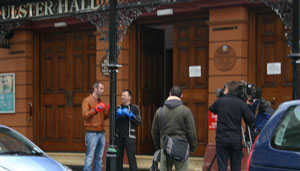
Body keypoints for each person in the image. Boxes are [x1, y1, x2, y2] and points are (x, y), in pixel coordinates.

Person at [209, 80, 255, 171]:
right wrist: (248, 106)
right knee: (236, 166)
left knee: (222, 166)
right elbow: (251, 119)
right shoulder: (241, 103)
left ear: (227, 90)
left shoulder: (220, 102)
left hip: (221, 139)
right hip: (235, 140)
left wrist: (222, 97)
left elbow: (211, 108)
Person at [151, 86, 197, 171]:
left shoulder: (159, 111)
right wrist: (192, 147)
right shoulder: (186, 111)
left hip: (165, 147)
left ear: (170, 94)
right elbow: (191, 131)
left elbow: (154, 131)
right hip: (181, 147)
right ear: (181, 96)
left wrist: (158, 147)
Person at [82, 81, 110, 171]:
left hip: (101, 132)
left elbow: (104, 117)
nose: (103, 91)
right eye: (101, 88)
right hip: (91, 132)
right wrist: (95, 109)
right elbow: (85, 115)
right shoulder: (87, 100)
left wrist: (109, 111)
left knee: (99, 157)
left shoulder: (100, 101)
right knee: (90, 157)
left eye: (103, 89)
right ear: (95, 89)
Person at [116, 89, 142, 171]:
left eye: (125, 95)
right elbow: (113, 122)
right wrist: (116, 115)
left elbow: (139, 122)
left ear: (130, 97)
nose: (122, 97)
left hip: (130, 136)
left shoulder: (135, 108)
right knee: (118, 158)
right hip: (119, 136)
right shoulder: (118, 108)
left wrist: (130, 115)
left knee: (131, 158)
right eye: (122, 95)